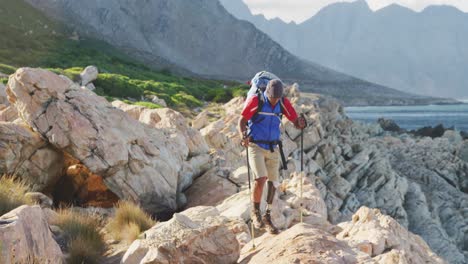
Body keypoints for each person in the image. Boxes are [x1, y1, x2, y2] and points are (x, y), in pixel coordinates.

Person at [238, 79, 306, 234]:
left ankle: (267, 216)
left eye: (277, 98)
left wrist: (300, 123)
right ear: (267, 93)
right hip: (255, 146)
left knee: (273, 183)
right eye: (272, 98)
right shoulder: (257, 101)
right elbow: (242, 120)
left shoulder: (283, 103)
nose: (274, 101)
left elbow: (295, 121)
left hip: (273, 147)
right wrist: (243, 136)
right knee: (260, 178)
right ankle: (255, 212)